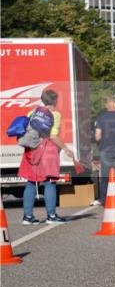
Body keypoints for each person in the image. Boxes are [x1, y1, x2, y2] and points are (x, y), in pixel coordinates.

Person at [19, 90, 80, 224]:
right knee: (50, 182)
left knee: (30, 183)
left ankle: (27, 217)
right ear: (55, 100)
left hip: (31, 150)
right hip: (48, 151)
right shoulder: (55, 114)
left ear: (42, 100)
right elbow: (53, 136)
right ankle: (51, 216)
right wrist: (66, 149)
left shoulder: (32, 112)